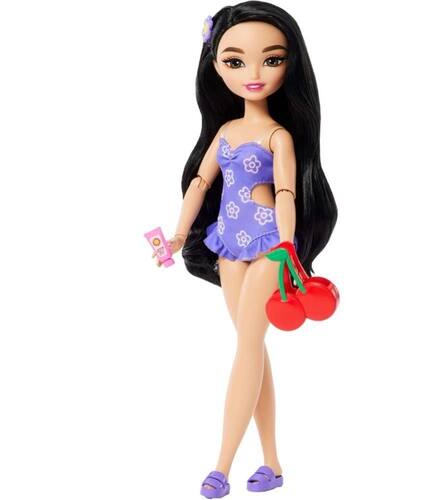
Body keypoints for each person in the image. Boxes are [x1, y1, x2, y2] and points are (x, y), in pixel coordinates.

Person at [154, 2, 337, 497]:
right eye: (235, 61)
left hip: (268, 247)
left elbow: (286, 193)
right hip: (227, 244)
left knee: (247, 349)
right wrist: (178, 235)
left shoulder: (279, 135)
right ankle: (273, 464)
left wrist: (288, 245)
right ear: (215, 65)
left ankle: (221, 466)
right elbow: (200, 183)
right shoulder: (225, 132)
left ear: (289, 65)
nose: (253, 73)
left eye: (271, 59)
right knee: (251, 349)